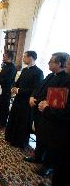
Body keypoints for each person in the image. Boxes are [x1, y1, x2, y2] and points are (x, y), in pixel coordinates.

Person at [38, 53, 70, 186]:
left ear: (60, 64)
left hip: (60, 126)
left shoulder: (66, 80)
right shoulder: (51, 75)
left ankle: (47, 165)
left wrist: (46, 107)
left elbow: (62, 109)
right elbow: (41, 88)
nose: (68, 65)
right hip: (48, 116)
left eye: (69, 63)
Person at [5, 51, 43, 149]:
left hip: (26, 102)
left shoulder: (39, 72)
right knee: (14, 118)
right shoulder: (25, 70)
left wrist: (19, 90)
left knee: (22, 122)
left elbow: (35, 89)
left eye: (24, 57)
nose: (23, 58)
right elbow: (18, 82)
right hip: (18, 99)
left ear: (30, 58)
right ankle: (11, 138)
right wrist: (14, 87)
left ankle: (19, 142)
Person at [0, 51, 16, 128]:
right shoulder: (5, 65)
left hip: (6, 89)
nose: (3, 58)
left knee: (4, 106)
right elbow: (0, 75)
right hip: (0, 87)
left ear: (8, 57)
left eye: (4, 56)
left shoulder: (12, 67)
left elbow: (8, 79)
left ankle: (2, 123)